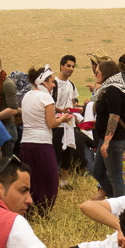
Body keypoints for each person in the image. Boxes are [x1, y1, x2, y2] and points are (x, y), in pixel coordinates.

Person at [19, 65, 74, 215]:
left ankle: (27, 210)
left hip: (26, 143)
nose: (54, 85)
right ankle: (42, 211)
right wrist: (62, 118)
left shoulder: (27, 96)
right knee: (50, 180)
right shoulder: (46, 97)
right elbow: (51, 123)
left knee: (31, 179)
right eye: (51, 81)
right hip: (42, 143)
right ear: (43, 82)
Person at [93, 60, 125, 198]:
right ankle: (114, 200)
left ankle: (121, 209)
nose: (95, 75)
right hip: (107, 138)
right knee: (97, 171)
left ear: (105, 73)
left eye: (97, 72)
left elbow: (114, 116)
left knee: (115, 178)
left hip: (113, 140)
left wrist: (107, 142)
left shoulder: (113, 90)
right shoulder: (108, 89)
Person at [51, 54, 80, 189]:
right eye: (68, 65)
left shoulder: (72, 85)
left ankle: (64, 181)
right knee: (55, 151)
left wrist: (75, 110)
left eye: (73, 66)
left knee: (68, 152)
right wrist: (62, 110)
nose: (71, 69)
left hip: (69, 123)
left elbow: (74, 101)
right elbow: (49, 104)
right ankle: (52, 180)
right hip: (56, 122)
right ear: (61, 66)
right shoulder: (53, 83)